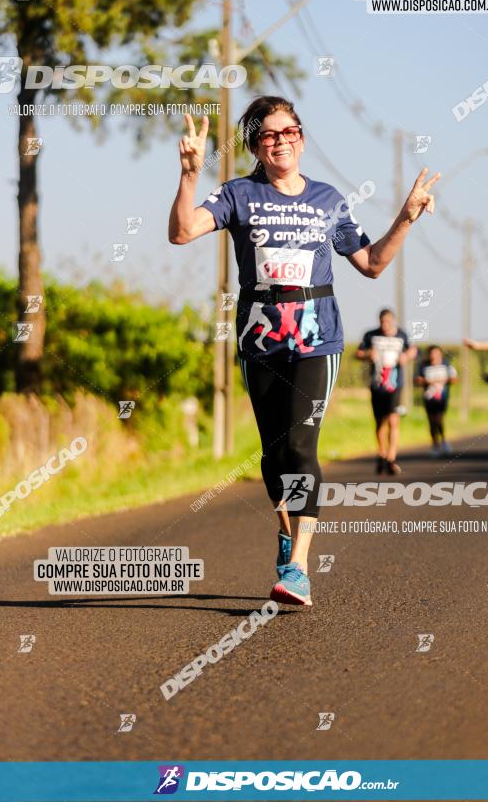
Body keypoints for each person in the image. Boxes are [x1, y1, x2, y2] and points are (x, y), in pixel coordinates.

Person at [168, 95, 440, 606]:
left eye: (288, 132)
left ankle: (298, 567)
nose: (280, 142)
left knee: (299, 447)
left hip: (316, 339)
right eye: (269, 135)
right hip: (259, 337)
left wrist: (405, 217)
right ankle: (287, 531)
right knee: (274, 453)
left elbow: (372, 263)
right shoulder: (237, 193)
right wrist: (188, 174)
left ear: (302, 137)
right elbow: (182, 233)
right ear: (254, 144)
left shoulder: (328, 199)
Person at [356, 309, 417, 475]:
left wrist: (407, 356)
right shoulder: (370, 335)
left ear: (394, 321)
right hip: (377, 385)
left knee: (393, 420)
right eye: (382, 322)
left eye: (388, 322)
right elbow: (358, 353)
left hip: (395, 385)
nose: (385, 325)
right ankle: (382, 454)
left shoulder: (402, 335)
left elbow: (413, 350)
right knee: (379, 422)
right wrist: (368, 354)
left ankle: (392, 457)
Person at [415, 345, 457, 456]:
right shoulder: (423, 365)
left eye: (436, 353)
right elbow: (417, 380)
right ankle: (435, 444)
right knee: (431, 421)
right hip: (429, 397)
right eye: (431, 354)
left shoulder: (446, 364)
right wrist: (427, 381)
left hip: (442, 397)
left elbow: (454, 378)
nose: (433, 356)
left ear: (440, 354)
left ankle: (443, 440)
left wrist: (443, 380)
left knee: (439, 419)